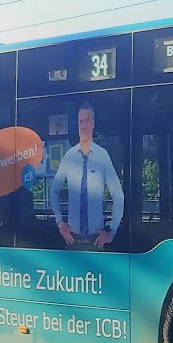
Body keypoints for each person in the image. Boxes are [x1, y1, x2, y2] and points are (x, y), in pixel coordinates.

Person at [50, 102, 124, 249]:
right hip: (72, 241)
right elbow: (53, 191)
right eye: (81, 121)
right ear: (77, 124)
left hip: (96, 241)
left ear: (93, 123)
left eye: (87, 120)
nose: (84, 125)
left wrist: (112, 232)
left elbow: (118, 194)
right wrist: (60, 223)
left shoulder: (102, 156)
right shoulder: (69, 156)